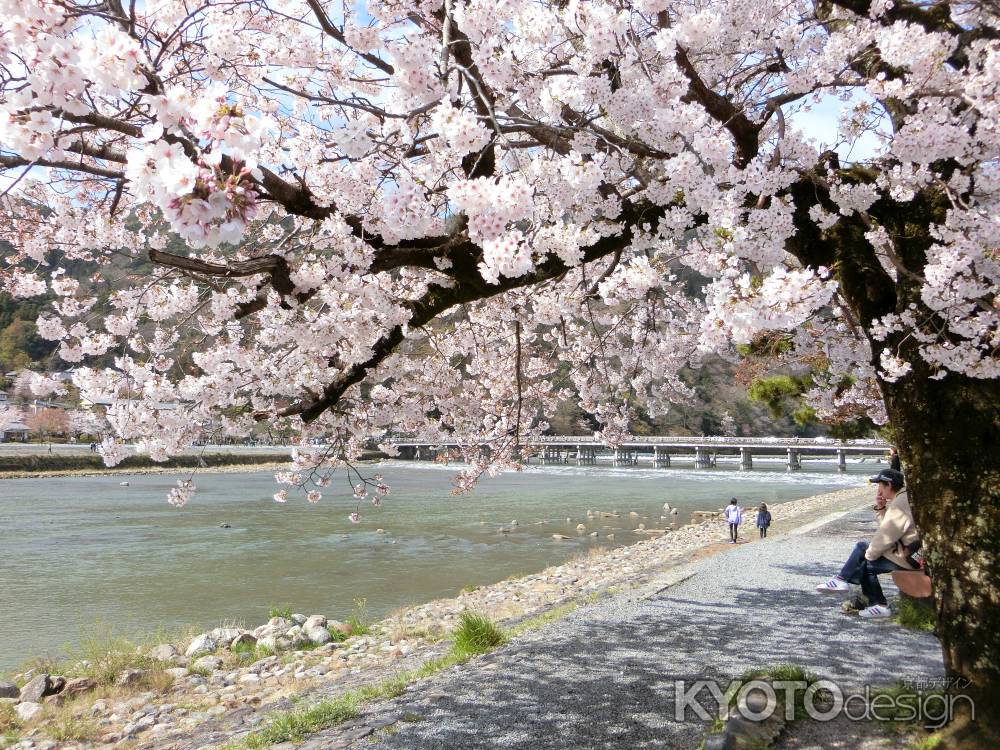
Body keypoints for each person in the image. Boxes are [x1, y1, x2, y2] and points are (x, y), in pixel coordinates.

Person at [815, 469, 919, 619]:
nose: (878, 490)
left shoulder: (899, 504)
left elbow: (886, 535)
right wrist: (881, 508)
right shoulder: (902, 498)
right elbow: (889, 528)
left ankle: (848, 585)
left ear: (888, 485)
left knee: (863, 553)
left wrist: (869, 554)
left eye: (880, 486)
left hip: (909, 557)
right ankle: (851, 587)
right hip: (909, 553)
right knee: (864, 555)